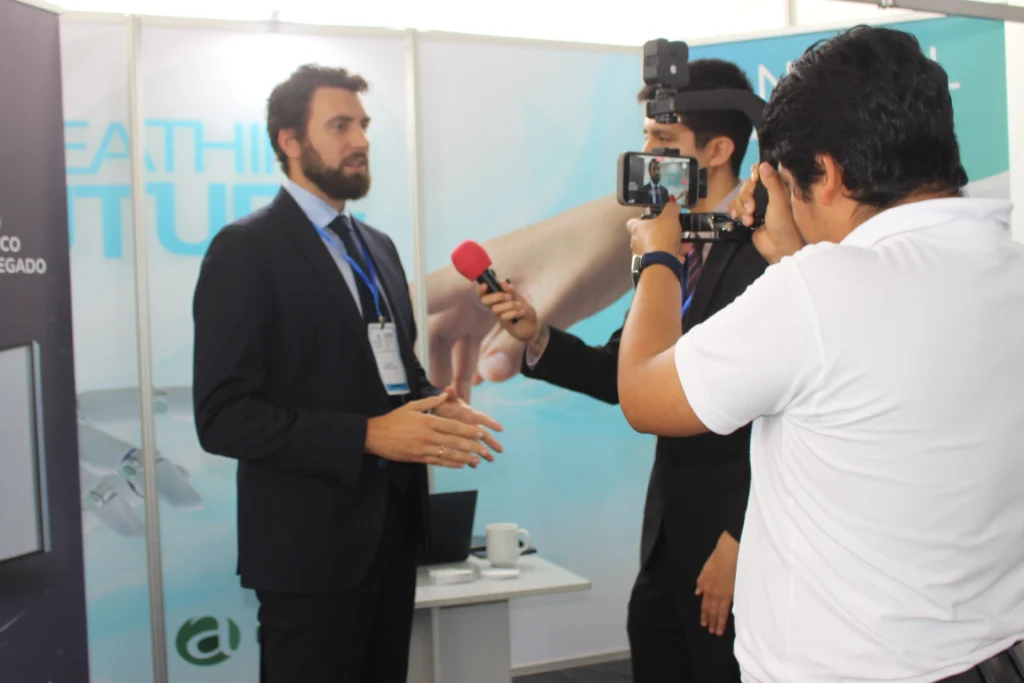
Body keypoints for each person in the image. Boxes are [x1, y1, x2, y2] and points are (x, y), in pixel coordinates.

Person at [619, 26, 1024, 683]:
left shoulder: (819, 291)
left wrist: (657, 256)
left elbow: (644, 394)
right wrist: (798, 257)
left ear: (828, 174)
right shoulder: (1009, 270)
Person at [191, 64, 504, 683]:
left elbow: (396, 372)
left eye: (363, 124)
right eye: (339, 126)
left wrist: (435, 405)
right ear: (289, 140)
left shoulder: (377, 247)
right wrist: (367, 435)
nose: (360, 140)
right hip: (307, 554)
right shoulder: (247, 249)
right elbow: (222, 416)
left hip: (391, 540)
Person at [479, 59, 767, 683]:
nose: (647, 158)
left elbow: (782, 414)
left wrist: (741, 538)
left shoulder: (766, 253)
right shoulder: (671, 247)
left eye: (663, 141)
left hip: (733, 545)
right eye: (645, 139)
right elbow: (626, 375)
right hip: (667, 539)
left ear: (718, 150)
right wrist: (538, 336)